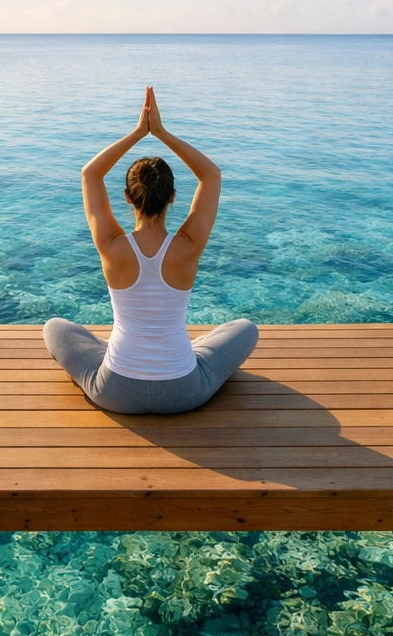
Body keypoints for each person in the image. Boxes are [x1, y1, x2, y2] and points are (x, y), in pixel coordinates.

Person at [43, 87, 258, 415]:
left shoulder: (112, 245)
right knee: (245, 328)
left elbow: (90, 174)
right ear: (172, 197)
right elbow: (211, 175)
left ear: (127, 198)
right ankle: (182, 351)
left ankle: (119, 350)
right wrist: (161, 132)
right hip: (184, 391)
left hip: (114, 391)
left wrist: (137, 133)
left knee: (53, 327)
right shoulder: (188, 246)